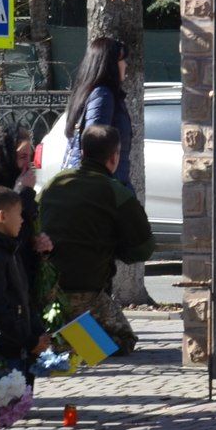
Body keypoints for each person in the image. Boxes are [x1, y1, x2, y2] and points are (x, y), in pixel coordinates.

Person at [39, 125, 154, 356]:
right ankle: (68, 343)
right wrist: (117, 250)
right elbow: (143, 248)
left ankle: (59, 334)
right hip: (86, 290)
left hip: (45, 290)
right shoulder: (115, 192)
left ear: (82, 153)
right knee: (124, 339)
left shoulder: (54, 183)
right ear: (114, 157)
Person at [0, 126, 52, 329]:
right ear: (3, 156)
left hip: (24, 284)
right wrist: (20, 194)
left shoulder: (22, 186)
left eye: (29, 158)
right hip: (0, 286)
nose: (26, 166)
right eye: (22, 157)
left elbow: (25, 231)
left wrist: (40, 244)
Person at [0, 186, 49, 382]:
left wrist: (37, 331)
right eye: (19, 214)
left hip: (17, 343)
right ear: (2, 216)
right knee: (4, 406)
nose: (23, 220)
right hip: (1, 346)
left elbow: (23, 297)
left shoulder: (8, 249)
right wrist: (29, 340)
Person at [61, 36, 134, 187]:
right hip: (102, 187)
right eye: (122, 60)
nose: (125, 65)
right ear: (109, 64)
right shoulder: (103, 94)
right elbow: (95, 144)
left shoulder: (92, 92)